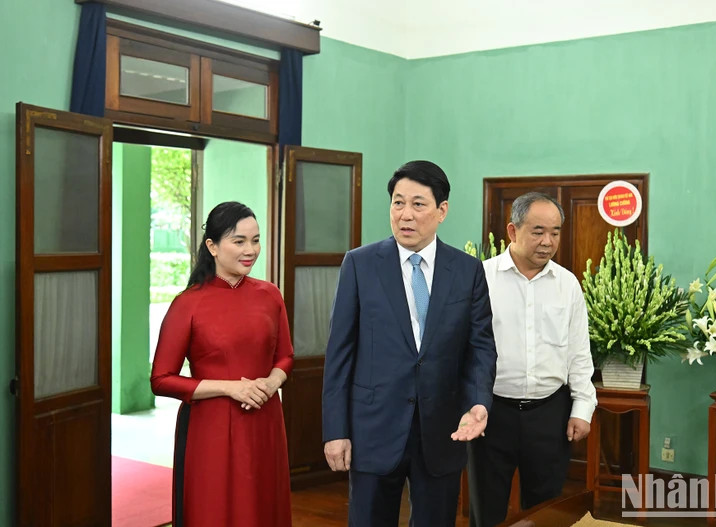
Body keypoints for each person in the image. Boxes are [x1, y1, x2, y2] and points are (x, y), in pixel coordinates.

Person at [322, 160, 497, 527]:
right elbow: (340, 354)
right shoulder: (360, 264)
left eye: (418, 204)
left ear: (441, 211)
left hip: (442, 428)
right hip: (373, 427)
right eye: (398, 203)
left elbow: (480, 348)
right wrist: (336, 430)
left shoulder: (467, 271)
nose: (406, 214)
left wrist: (478, 402)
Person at [151, 201, 294, 527]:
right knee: (214, 510)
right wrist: (232, 388)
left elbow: (285, 355)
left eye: (255, 240)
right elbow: (161, 379)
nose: (251, 250)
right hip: (209, 429)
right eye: (239, 241)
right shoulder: (187, 303)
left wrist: (270, 384)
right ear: (212, 246)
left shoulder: (270, 295)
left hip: (265, 422)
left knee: (263, 508)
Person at [467, 192, 597, 527]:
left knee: (546, 512)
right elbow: (464, 350)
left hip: (548, 414)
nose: (548, 241)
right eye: (538, 231)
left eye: (555, 232)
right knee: (487, 510)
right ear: (512, 231)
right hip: (492, 413)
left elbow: (580, 353)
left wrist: (583, 409)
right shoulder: (481, 279)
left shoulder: (567, 284)